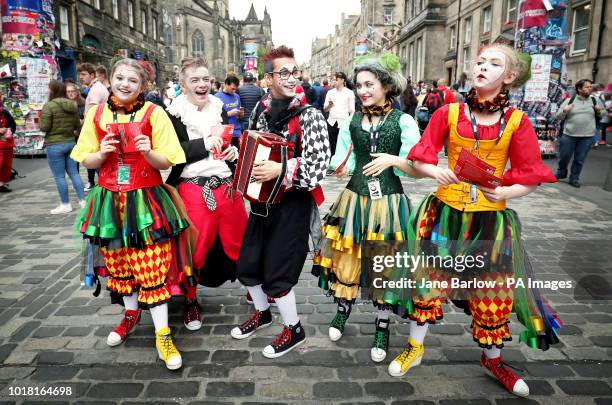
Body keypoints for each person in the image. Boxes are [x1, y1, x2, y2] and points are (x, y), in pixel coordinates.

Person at [386, 44, 561, 398]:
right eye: (480, 61)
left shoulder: (517, 121)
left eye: (494, 64)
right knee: (427, 284)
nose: (482, 67)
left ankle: (493, 360)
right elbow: (420, 158)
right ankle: (415, 347)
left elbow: (530, 176)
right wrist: (436, 169)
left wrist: (506, 194)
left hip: (490, 224)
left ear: (509, 77)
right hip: (444, 217)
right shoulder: (448, 114)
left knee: (492, 294)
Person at [70, 58, 193, 370]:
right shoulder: (96, 114)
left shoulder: (154, 113)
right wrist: (102, 153)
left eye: (132, 80)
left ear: (143, 86)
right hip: (109, 203)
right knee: (119, 266)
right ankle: (130, 314)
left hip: (146, 202)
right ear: (110, 79)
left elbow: (168, 162)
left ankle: (163, 333)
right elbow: (87, 160)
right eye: (119, 77)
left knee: (151, 267)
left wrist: (147, 150)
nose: (124, 84)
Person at [312, 53, 421, 363]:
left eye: (369, 84)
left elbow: (416, 167)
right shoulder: (352, 120)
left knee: (383, 267)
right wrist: (338, 167)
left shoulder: (404, 121)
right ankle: (342, 312)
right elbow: (340, 156)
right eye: (358, 85)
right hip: (353, 201)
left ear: (386, 86)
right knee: (347, 259)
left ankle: (382, 327)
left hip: (388, 204)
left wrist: (395, 160)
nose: (362, 90)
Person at [230, 45, 330, 358]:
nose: (290, 78)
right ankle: (262, 314)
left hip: (293, 204)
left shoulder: (310, 115)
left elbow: (318, 165)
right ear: (268, 77)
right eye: (283, 73)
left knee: (278, 270)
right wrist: (236, 156)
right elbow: (251, 147)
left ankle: (294, 329)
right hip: (261, 202)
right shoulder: (260, 110)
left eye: (294, 71)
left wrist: (282, 168)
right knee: (249, 263)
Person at [165, 57, 247, 331]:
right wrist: (204, 144)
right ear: (183, 85)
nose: (202, 85)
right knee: (195, 252)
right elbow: (172, 154)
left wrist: (232, 152)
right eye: (195, 80)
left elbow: (226, 143)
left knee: (241, 242)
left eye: (205, 79)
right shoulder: (173, 114)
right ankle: (190, 300)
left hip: (225, 184)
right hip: (193, 188)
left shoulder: (219, 107)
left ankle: (255, 289)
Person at [39, 80, 85, 214]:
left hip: (54, 144)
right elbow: (78, 126)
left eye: (49, 89)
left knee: (59, 177)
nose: (47, 91)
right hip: (70, 143)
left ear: (53, 90)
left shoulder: (49, 106)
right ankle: (83, 201)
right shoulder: (72, 105)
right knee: (74, 173)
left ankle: (66, 204)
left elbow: (45, 127)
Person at [555, 79, 604, 187]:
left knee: (579, 159)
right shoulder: (570, 100)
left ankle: (574, 178)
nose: (590, 88)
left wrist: (599, 111)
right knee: (564, 157)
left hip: (587, 136)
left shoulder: (595, 100)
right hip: (569, 135)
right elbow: (558, 116)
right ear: (579, 89)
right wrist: (565, 110)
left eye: (590, 86)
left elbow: (602, 115)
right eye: (587, 87)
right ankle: (561, 172)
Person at [80, 63, 110, 190]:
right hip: (99, 131)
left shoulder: (96, 89)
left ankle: (107, 185)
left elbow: (94, 113)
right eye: (80, 75)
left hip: (97, 132)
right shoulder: (96, 88)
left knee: (98, 163)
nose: (81, 77)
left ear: (92, 75)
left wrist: (85, 126)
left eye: (83, 74)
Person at [324, 72, 355, 155]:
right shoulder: (330, 92)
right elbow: (325, 109)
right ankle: (332, 163)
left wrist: (350, 123)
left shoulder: (349, 93)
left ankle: (342, 164)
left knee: (343, 146)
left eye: (336, 80)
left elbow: (352, 110)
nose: (334, 81)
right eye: (333, 80)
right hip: (331, 122)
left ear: (342, 80)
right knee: (332, 145)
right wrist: (329, 105)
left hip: (344, 123)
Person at [214, 75, 244, 148]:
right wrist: (229, 114)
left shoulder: (237, 96)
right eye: (232, 89)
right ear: (226, 84)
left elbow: (240, 117)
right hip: (225, 132)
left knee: (238, 156)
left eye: (235, 89)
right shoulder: (217, 97)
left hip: (237, 131)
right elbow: (214, 117)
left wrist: (241, 114)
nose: (234, 91)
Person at [0, 97, 16, 193]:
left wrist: (8, 131)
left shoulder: (5, 113)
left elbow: (13, 125)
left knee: (6, 165)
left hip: (7, 143)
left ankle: (1, 184)